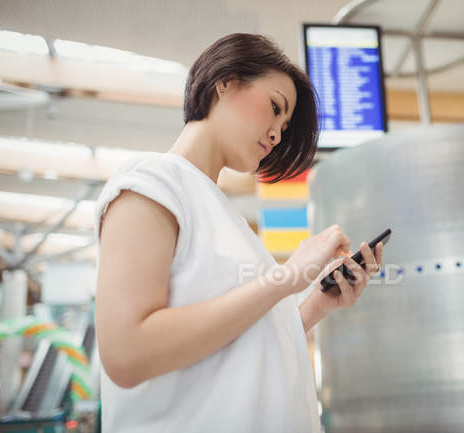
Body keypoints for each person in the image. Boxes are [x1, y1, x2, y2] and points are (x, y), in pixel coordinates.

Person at [94, 33, 383, 433]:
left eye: (284, 126)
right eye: (275, 107)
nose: (278, 134)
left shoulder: (226, 218)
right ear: (225, 81)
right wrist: (288, 277)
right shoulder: (153, 179)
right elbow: (127, 353)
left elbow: (238, 348)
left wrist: (315, 304)